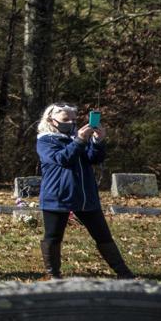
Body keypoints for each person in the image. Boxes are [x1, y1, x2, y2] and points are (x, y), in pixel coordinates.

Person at [34, 102, 135, 279]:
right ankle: (53, 275)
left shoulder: (77, 138)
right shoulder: (45, 140)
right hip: (58, 196)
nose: (71, 123)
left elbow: (94, 158)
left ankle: (124, 273)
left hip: (85, 195)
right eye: (66, 119)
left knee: (103, 234)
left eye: (74, 119)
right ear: (51, 120)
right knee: (53, 237)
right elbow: (63, 158)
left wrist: (97, 141)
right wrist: (80, 140)